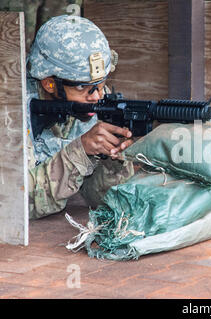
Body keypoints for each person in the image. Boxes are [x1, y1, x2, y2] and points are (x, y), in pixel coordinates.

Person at [27, 15, 134, 219]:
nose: (96, 96)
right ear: (49, 84)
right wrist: (79, 151)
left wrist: (112, 158)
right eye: (81, 86)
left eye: (101, 84)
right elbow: (14, 203)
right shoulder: (12, 113)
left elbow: (108, 200)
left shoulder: (95, 100)